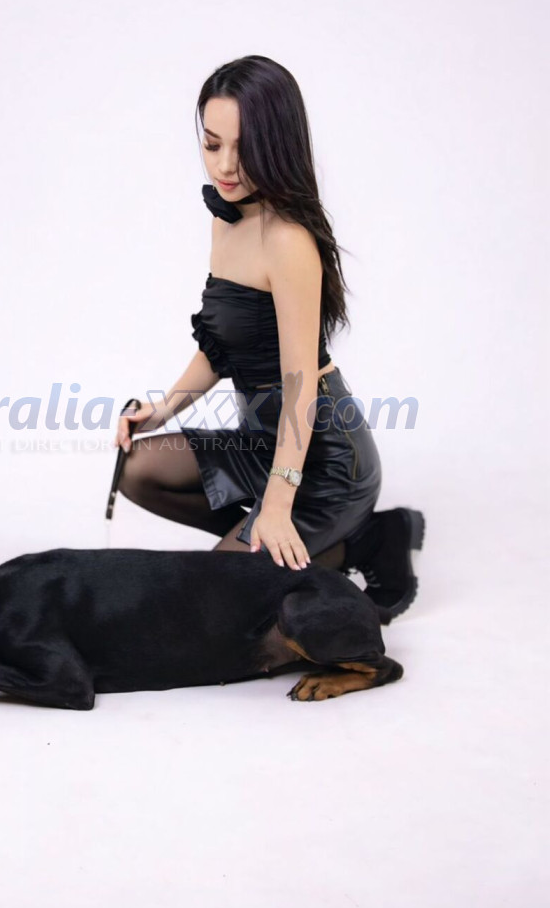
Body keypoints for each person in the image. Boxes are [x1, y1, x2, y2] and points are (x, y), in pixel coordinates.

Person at [113, 55, 424, 619]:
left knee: (212, 607)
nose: (225, 166)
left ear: (277, 145)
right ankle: (317, 550)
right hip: (263, 439)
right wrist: (161, 410)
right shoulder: (227, 216)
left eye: (245, 148)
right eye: (212, 144)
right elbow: (221, 346)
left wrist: (278, 503)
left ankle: (359, 537)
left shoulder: (288, 240)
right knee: (138, 470)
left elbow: (299, 385)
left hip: (324, 463)